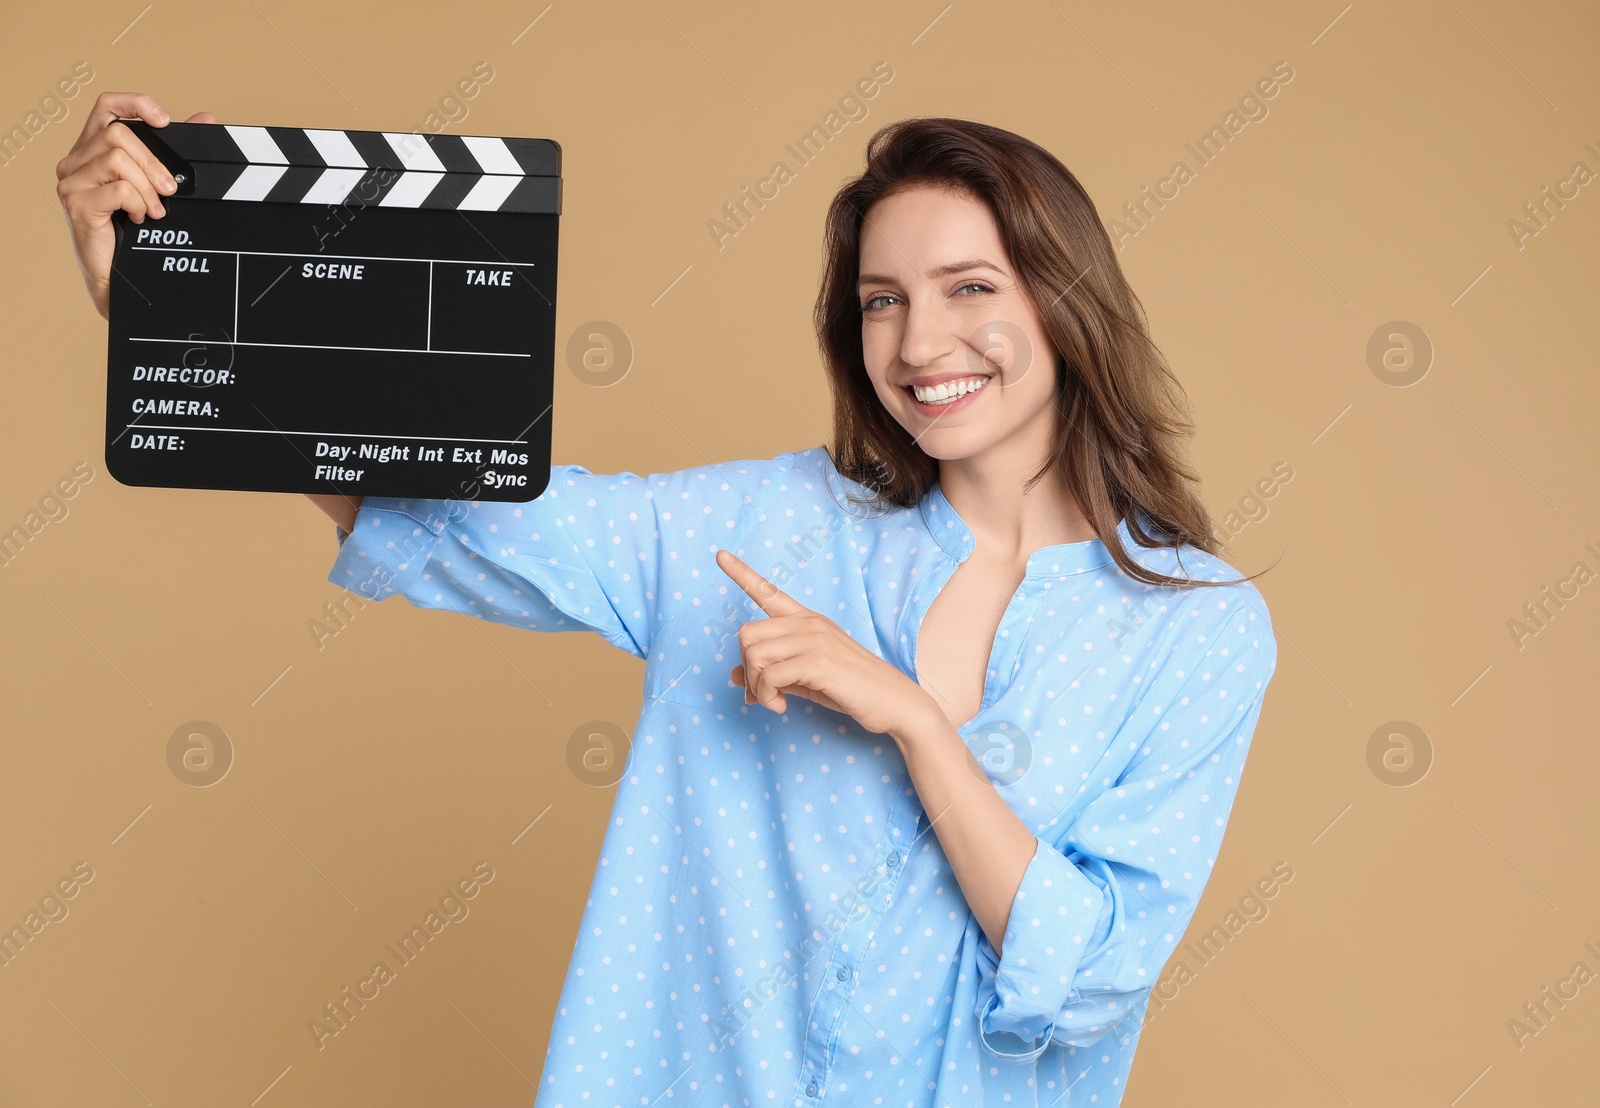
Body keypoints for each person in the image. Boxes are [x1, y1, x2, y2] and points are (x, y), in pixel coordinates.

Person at [59, 92, 1279, 1106]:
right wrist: (168, 309)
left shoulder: (1192, 623)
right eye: (881, 300)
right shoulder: (758, 528)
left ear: (1064, 302)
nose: (917, 345)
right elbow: (448, 511)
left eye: (969, 288)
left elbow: (1088, 972)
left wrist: (909, 719)